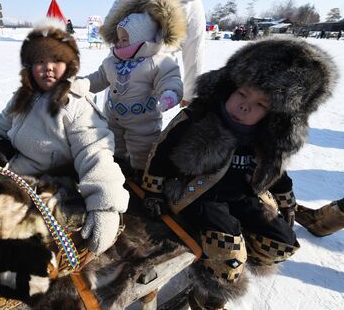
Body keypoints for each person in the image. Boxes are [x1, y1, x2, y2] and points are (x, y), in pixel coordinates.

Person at [139, 38, 337, 309]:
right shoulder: (198, 119)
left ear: (275, 113)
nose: (245, 106)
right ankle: (209, 294)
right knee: (227, 250)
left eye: (260, 104)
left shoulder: (267, 136)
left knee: (281, 242)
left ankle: (227, 264)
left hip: (243, 195)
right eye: (242, 94)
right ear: (229, 87)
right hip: (199, 195)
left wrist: (286, 198)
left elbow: (275, 171)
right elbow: (161, 154)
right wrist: (152, 190)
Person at [0, 20, 129, 255]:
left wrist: (105, 207)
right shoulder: (25, 97)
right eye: (40, 61)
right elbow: (0, 123)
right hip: (13, 173)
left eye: (56, 60)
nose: (48, 68)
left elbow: (95, 152)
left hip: (47, 187)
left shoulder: (75, 105)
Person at [85, 0, 185, 174]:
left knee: (142, 150)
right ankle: (117, 169)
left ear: (142, 38)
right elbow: (99, 78)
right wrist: (82, 84)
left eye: (125, 39)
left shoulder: (158, 61)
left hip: (143, 123)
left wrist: (169, 94)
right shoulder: (113, 61)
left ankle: (141, 173)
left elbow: (169, 78)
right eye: (119, 39)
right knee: (113, 145)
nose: (120, 43)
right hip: (113, 117)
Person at [105, 0, 206, 107]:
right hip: (121, 73)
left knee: (146, 127)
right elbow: (110, 30)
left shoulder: (191, 2)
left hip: (158, 77)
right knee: (112, 123)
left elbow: (194, 49)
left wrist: (190, 91)